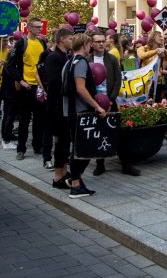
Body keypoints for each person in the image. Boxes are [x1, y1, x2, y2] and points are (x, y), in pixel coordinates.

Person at [61, 34, 109, 198]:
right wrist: (97, 106)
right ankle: (75, 184)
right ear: (85, 45)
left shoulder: (68, 62)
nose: (91, 48)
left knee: (80, 148)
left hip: (71, 111)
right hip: (80, 112)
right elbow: (80, 88)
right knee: (83, 149)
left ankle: (76, 181)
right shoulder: (80, 63)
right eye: (90, 45)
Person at [88, 32, 137, 176]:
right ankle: (100, 164)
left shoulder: (111, 59)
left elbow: (118, 79)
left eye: (103, 41)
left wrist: (111, 99)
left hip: (110, 102)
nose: (101, 44)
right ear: (91, 44)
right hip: (94, 103)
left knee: (119, 133)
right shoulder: (87, 60)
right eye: (98, 42)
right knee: (98, 133)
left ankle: (126, 164)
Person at [6, 17, 48, 160]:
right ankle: (21, 149)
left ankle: (38, 146)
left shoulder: (42, 42)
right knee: (24, 119)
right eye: (37, 27)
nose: (40, 29)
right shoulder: (22, 43)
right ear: (29, 28)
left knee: (40, 118)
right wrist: (20, 80)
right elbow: (10, 66)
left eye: (40, 26)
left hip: (40, 86)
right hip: (27, 87)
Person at [43, 28, 74, 189]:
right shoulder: (53, 57)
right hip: (57, 106)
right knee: (61, 141)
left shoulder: (65, 56)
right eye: (70, 38)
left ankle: (64, 171)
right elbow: (54, 82)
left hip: (63, 105)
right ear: (61, 40)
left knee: (64, 140)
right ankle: (57, 177)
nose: (72, 41)